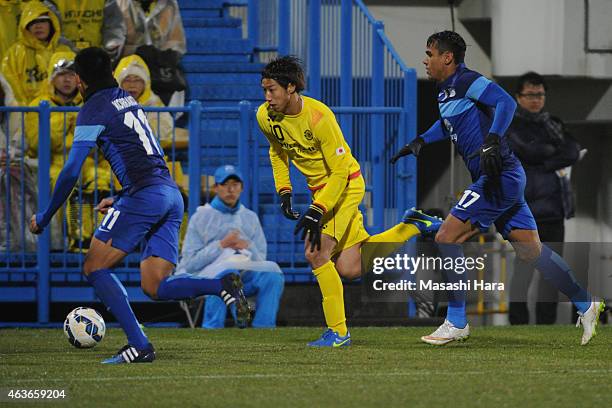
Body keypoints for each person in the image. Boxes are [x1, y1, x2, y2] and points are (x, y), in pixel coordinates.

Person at [29, 47, 249, 364]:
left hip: (145, 194)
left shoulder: (93, 109)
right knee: (154, 285)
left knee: (94, 266)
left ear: (79, 79)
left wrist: (46, 215)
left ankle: (139, 344)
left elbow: (71, 170)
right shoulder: (125, 98)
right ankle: (221, 284)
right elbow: (140, 154)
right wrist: (122, 199)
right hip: (169, 194)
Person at [390, 31, 603, 346]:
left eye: (429, 53)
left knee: (446, 236)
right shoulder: (445, 91)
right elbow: (449, 124)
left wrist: (493, 138)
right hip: (506, 177)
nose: (425, 59)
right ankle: (587, 304)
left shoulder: (465, 79)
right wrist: (420, 141)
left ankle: (457, 321)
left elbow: (503, 101)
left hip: (498, 176)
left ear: (447, 57)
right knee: (532, 251)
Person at [257, 56, 441, 347]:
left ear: (291, 88)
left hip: (345, 185)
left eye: (272, 90)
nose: (267, 97)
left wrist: (319, 209)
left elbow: (341, 170)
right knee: (350, 268)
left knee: (315, 254)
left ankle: (338, 332)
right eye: (264, 90)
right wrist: (284, 191)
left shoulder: (319, 118)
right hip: (321, 190)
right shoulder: (264, 116)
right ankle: (412, 226)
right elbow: (276, 152)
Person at [506, 72, 582, 325]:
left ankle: (545, 324)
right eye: (530, 95)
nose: (536, 100)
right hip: (527, 209)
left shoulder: (553, 122)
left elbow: (572, 150)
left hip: (554, 208)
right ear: (518, 97)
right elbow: (529, 149)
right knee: (524, 269)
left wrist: (545, 160)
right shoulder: (512, 124)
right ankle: (517, 323)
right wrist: (552, 155)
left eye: (540, 95)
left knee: (552, 272)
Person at [177, 165, 285, 329]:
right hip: (209, 277)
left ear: (241, 188)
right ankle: (214, 327)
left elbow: (260, 260)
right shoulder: (201, 217)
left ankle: (264, 328)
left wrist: (247, 246)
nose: (230, 189)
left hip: (245, 276)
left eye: (235, 184)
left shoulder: (250, 217)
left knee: (272, 276)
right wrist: (221, 245)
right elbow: (190, 263)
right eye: (225, 184)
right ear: (216, 188)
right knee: (227, 276)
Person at [26, 50, 112, 251]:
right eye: (62, 74)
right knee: (62, 179)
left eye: (72, 75)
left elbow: (100, 142)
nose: (67, 80)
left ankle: (101, 239)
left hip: (88, 161)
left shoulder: (90, 101)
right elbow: (37, 144)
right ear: (52, 78)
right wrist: (64, 122)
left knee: (101, 177)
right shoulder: (37, 105)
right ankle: (77, 239)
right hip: (51, 162)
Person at [1, 1, 73, 106]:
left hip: (59, 114)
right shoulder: (14, 54)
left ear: (52, 24)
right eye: (33, 22)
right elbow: (11, 88)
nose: (38, 26)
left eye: (43, 21)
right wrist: (26, 111)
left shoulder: (64, 52)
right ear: (25, 26)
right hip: (25, 115)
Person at [51, 0, 126, 63]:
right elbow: (51, 32)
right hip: (63, 59)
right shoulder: (52, 2)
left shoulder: (107, 1)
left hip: (98, 60)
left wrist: (107, 51)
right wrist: (68, 52)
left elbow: (114, 27)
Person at [116, 0, 186, 57]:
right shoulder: (120, 3)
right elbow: (113, 42)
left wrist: (165, 57)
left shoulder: (168, 3)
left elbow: (176, 43)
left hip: (158, 66)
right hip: (128, 67)